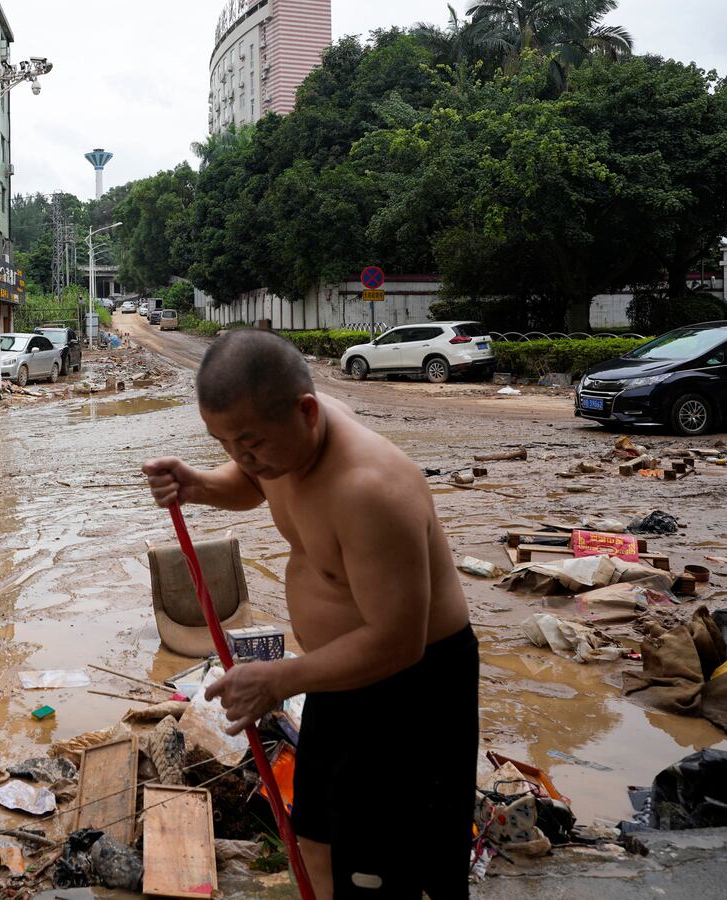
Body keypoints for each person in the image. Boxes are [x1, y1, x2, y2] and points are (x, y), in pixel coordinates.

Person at [143, 329, 478, 900]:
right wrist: (200, 485)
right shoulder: (286, 445)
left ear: (307, 411)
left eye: (249, 444)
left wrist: (277, 679)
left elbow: (400, 643)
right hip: (337, 676)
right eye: (223, 444)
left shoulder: (368, 490)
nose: (241, 459)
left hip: (410, 693)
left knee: (391, 870)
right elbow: (254, 482)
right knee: (316, 837)